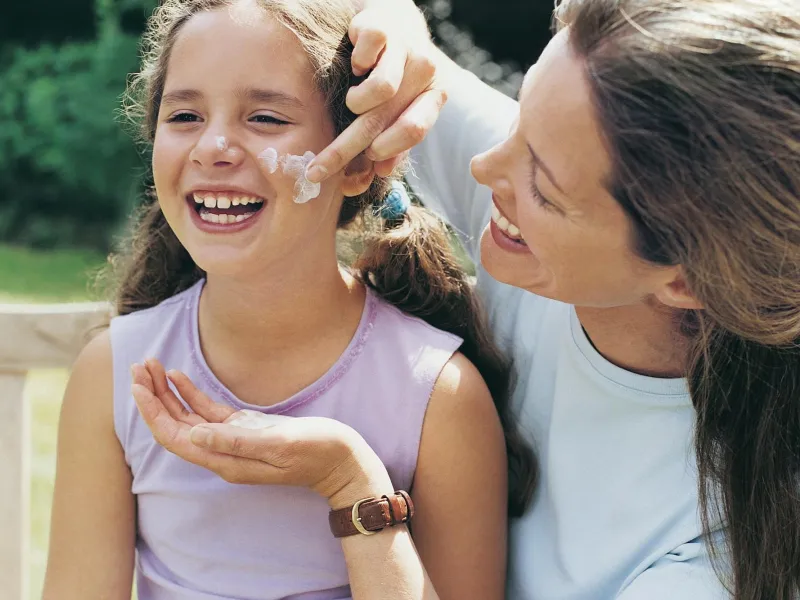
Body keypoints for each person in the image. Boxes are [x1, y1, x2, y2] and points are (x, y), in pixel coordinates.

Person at [128, 0, 800, 598]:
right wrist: (396, 27)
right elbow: (350, 32)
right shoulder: (571, 151)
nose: (483, 169)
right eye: (518, 123)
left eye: (542, 186)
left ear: (684, 280)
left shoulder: (709, 558)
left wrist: (357, 491)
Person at [41, 1, 537, 598]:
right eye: (185, 115)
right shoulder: (113, 374)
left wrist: (353, 487)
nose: (213, 147)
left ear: (359, 162)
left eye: (267, 118)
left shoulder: (439, 398)